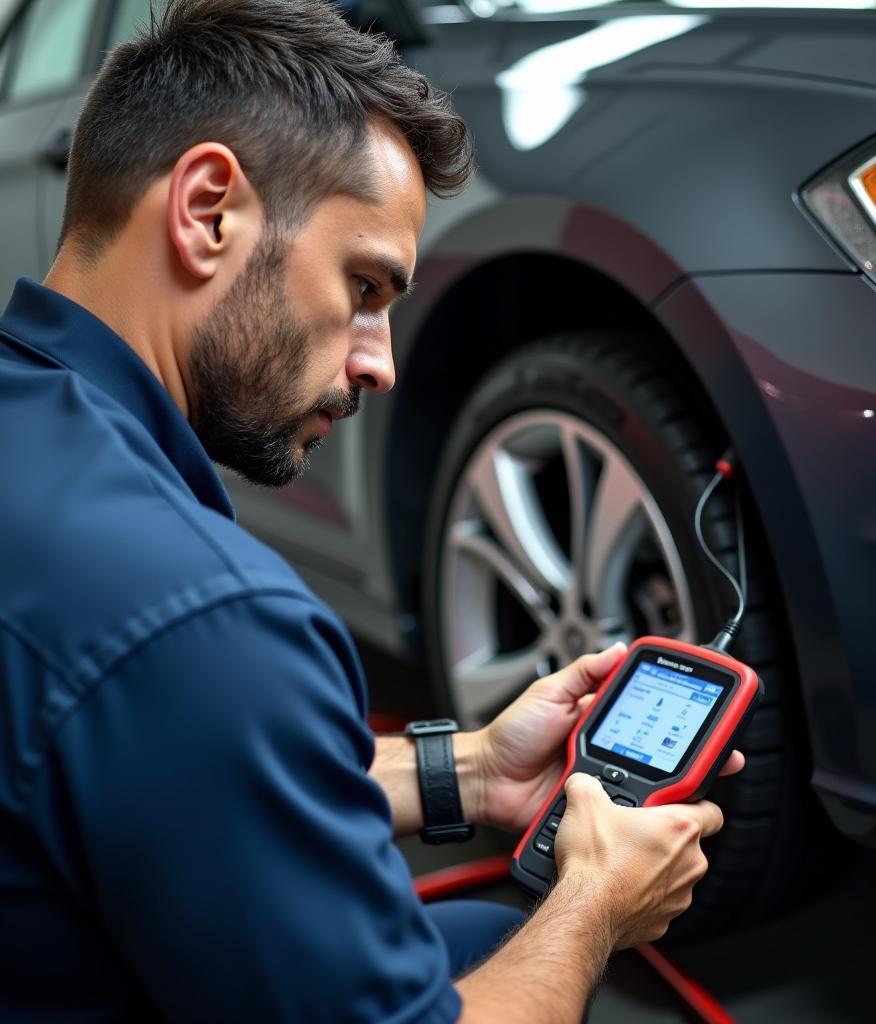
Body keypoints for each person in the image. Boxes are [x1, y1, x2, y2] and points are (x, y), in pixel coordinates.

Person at [0, 1, 741, 1020]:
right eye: (363, 288)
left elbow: (176, 762)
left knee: (485, 933)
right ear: (209, 209)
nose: (380, 363)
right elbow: (193, 691)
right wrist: (597, 899)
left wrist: (472, 772)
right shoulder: (208, 616)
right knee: (534, 940)